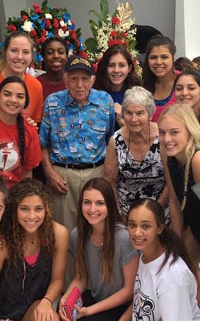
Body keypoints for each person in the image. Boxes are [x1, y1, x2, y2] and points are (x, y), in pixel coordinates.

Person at [39, 55, 115, 232]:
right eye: (74, 78)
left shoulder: (105, 101)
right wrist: (49, 172)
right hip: (62, 177)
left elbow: (110, 140)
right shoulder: (52, 102)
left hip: (97, 173)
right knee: (64, 232)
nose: (79, 84)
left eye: (85, 79)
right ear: (65, 79)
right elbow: (43, 142)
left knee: (98, 230)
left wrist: (108, 178)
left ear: (93, 80)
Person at [59, 177, 139, 321]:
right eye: (87, 202)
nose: (92, 209)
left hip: (123, 306)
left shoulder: (124, 238)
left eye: (100, 203)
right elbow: (80, 278)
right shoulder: (77, 235)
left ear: (110, 205)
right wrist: (65, 300)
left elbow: (129, 291)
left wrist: (88, 311)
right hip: (96, 300)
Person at [0, 178, 69, 321]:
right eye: (24, 209)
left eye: (38, 209)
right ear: (14, 210)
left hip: (33, 308)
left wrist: (47, 301)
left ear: (47, 209)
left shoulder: (58, 234)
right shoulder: (4, 241)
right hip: (4, 312)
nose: (32, 216)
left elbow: (57, 280)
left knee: (49, 317)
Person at [126, 198, 200, 320]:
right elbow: (139, 302)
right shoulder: (145, 255)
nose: (137, 233)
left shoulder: (173, 277)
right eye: (132, 225)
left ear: (159, 228)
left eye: (145, 226)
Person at [104, 86, 169, 224]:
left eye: (140, 113)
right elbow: (110, 182)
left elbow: (171, 181)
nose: (133, 119)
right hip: (126, 214)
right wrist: (119, 213)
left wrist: (156, 209)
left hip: (160, 210)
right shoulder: (115, 141)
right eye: (128, 113)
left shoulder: (163, 136)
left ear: (150, 114)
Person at [158, 103, 200, 303]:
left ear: (190, 131)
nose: (167, 139)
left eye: (174, 132)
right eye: (162, 132)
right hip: (194, 226)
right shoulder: (168, 156)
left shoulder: (197, 160)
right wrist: (176, 246)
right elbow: (174, 202)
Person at [0, 76, 42, 188]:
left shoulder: (30, 131)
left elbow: (27, 175)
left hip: (13, 197)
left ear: (25, 102)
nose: (13, 100)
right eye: (7, 94)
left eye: (20, 96)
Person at [93, 44, 141, 130]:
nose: (116, 70)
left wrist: (121, 119)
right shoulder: (95, 93)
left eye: (122, 65)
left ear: (129, 68)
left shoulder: (137, 95)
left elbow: (140, 134)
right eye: (111, 65)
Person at [0, 31, 43, 124]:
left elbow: (35, 121)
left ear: (32, 56)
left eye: (25, 52)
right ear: (4, 52)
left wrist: (30, 126)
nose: (19, 57)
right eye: (14, 50)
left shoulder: (36, 86)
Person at [143, 34, 178, 122]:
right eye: (153, 57)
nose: (158, 62)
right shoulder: (144, 86)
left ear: (172, 58)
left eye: (164, 57)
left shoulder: (184, 82)